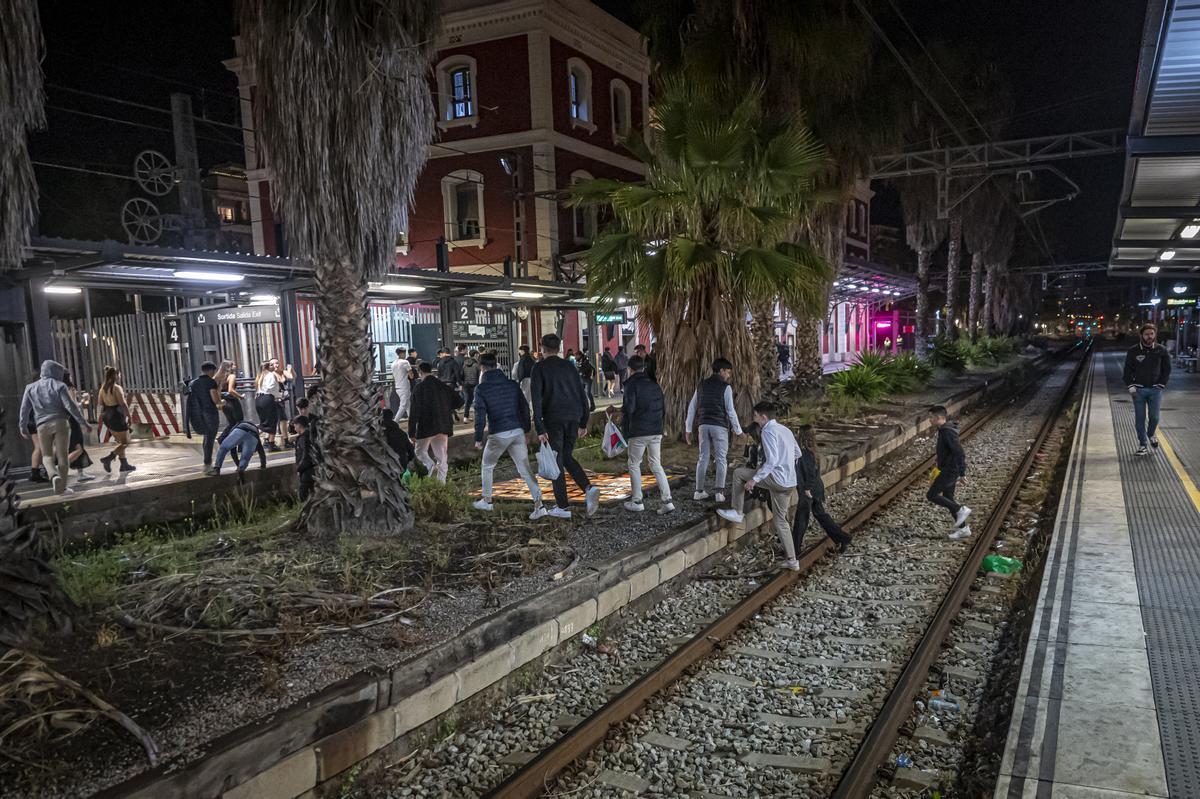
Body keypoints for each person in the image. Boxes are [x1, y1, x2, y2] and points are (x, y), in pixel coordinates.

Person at [717, 402, 802, 570]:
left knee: (739, 474)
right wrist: (786, 467)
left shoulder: (768, 431)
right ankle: (793, 561)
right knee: (780, 521)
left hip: (776, 480)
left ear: (764, 417)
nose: (754, 419)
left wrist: (755, 479)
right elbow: (797, 453)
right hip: (789, 482)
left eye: (756, 416)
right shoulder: (785, 430)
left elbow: (772, 461)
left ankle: (737, 512)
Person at [531, 333, 600, 518]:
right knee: (566, 455)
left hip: (554, 419)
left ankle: (562, 506)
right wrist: (584, 421)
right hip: (574, 417)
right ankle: (588, 487)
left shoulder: (539, 368)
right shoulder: (569, 367)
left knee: (557, 461)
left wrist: (539, 427)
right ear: (559, 347)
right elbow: (582, 393)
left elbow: (536, 400)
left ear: (542, 347)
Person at [472, 351, 547, 519]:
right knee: (525, 469)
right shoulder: (512, 384)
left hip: (498, 433)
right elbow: (524, 409)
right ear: (496, 363)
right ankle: (539, 505)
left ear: (481, 367)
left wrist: (478, 438)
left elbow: (479, 415)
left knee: (487, 466)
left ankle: (487, 501)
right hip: (517, 431)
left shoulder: (481, 389)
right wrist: (527, 430)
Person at [19, 360, 90, 495]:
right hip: (61, 423)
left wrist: (22, 426)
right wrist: (83, 423)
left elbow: (24, 409)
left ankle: (53, 475)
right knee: (63, 456)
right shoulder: (60, 386)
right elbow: (70, 407)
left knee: (46, 456)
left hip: (41, 425)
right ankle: (62, 488)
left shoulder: (30, 387)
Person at [620, 355, 674, 515]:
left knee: (634, 463)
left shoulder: (631, 385)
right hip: (656, 429)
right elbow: (663, 408)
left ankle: (637, 500)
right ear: (643, 368)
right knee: (656, 464)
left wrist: (622, 419)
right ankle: (667, 500)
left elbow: (629, 408)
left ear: (630, 369)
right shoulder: (654, 384)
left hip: (639, 430)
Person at [685, 358, 744, 503]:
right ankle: (719, 492)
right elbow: (730, 411)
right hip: (719, 426)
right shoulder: (726, 387)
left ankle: (698, 491)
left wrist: (688, 429)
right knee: (721, 459)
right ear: (722, 371)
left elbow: (692, 407)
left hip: (703, 425)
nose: (729, 375)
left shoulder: (702, 385)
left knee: (703, 457)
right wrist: (739, 431)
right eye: (728, 372)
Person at [793, 424, 851, 552]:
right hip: (816, 488)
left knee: (801, 520)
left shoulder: (805, 453)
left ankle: (794, 550)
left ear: (801, 435)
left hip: (809, 490)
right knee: (820, 515)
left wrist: (807, 489)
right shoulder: (813, 451)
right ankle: (842, 538)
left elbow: (810, 473)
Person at [409, 361, 462, 483]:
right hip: (444, 425)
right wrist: (447, 406)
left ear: (420, 372)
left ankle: (429, 465)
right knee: (442, 457)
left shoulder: (419, 388)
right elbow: (459, 402)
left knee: (419, 451)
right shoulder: (443, 386)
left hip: (427, 426)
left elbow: (414, 411)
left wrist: (411, 432)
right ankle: (441, 484)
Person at [1123, 323, 1171, 456]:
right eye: (1146, 334)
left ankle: (1150, 434)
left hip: (1156, 390)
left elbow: (1167, 369)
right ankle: (1142, 444)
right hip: (1138, 390)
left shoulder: (1161, 350)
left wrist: (1162, 384)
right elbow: (1127, 370)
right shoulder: (1133, 351)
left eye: (1151, 334)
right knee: (1140, 419)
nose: (1149, 337)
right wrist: (1130, 386)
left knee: (1154, 417)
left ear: (1155, 334)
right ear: (1141, 335)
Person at [927, 405, 972, 539]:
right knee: (948, 497)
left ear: (939, 417)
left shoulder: (947, 431)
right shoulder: (944, 429)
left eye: (931, 418)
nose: (929, 420)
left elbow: (959, 452)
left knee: (932, 495)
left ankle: (960, 509)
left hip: (950, 469)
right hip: (948, 468)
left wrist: (962, 473)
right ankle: (964, 529)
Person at [97, 366, 135, 473]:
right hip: (116, 415)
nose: (120, 376)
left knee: (121, 441)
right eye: (119, 374)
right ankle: (109, 458)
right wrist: (129, 416)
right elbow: (123, 403)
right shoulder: (117, 388)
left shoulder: (102, 389)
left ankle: (124, 465)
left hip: (107, 416)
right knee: (126, 442)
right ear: (115, 375)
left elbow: (100, 404)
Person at [188, 361, 222, 469]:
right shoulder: (210, 382)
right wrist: (222, 402)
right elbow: (215, 399)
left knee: (206, 436)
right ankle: (208, 459)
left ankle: (207, 459)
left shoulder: (193, 383)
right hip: (210, 412)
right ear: (211, 370)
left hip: (198, 413)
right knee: (210, 436)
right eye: (214, 371)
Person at [63, 373, 94, 483]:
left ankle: (80, 473)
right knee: (78, 447)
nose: (72, 377)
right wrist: (82, 402)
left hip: (66, 420)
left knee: (76, 447)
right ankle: (61, 468)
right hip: (73, 420)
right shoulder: (70, 388)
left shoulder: (59, 388)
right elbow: (72, 405)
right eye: (70, 376)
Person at [255, 358, 289, 451]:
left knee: (265, 423)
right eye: (271, 365)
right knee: (272, 422)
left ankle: (267, 442)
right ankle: (271, 444)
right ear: (267, 367)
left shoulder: (260, 375)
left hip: (259, 399)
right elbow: (271, 389)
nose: (273, 366)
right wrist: (280, 395)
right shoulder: (270, 375)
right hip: (267, 399)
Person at [293, 415, 317, 500]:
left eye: (295, 426)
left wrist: (299, 468)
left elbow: (305, 454)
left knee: (304, 493)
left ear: (299, 425)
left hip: (307, 470)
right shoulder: (309, 435)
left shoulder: (304, 438)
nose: (294, 428)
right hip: (309, 469)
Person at [216, 360, 245, 429]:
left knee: (232, 422)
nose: (235, 366)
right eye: (233, 365)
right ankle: (229, 438)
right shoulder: (232, 376)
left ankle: (221, 438)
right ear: (229, 367)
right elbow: (231, 390)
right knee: (239, 421)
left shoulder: (218, 377)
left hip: (223, 401)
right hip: (232, 401)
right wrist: (240, 396)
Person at [390, 347, 412, 419]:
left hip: (397, 387)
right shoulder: (405, 362)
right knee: (403, 405)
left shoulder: (393, 363)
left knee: (408, 405)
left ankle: (413, 422)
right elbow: (411, 376)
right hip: (404, 386)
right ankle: (395, 422)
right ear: (402, 353)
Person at [462, 349, 480, 421]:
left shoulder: (464, 364)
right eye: (477, 355)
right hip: (475, 384)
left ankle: (465, 417)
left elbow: (462, 374)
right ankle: (477, 416)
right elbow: (478, 374)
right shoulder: (476, 364)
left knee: (467, 401)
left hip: (466, 384)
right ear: (475, 355)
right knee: (476, 400)